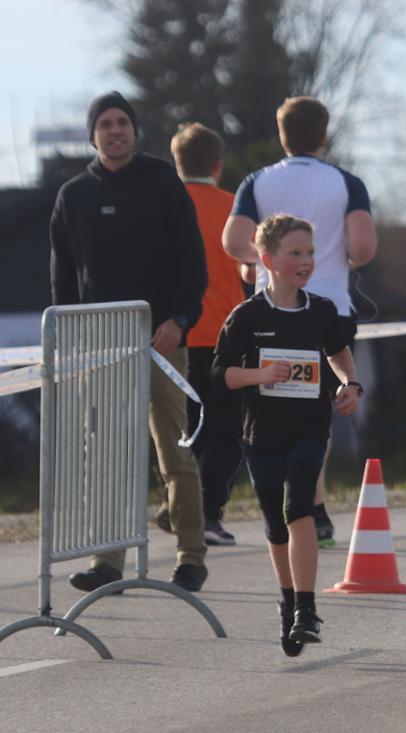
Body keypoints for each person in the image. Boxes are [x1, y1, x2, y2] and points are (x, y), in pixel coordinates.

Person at [50, 91, 209, 592]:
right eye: (105, 124)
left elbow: (193, 263)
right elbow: (63, 283)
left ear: (135, 131)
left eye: (123, 123)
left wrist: (179, 321)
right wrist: (72, 341)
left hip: (161, 340)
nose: (115, 131)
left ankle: (190, 556)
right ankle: (107, 562)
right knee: (108, 455)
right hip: (100, 348)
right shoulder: (72, 195)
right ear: (92, 133)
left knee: (173, 451)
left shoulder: (162, 181)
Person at [223, 96, 376, 547]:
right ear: (324, 135)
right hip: (327, 304)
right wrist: (329, 256)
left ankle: (289, 503)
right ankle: (314, 504)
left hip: (270, 308)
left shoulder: (257, 181)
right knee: (315, 407)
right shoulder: (347, 182)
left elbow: (233, 239)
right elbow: (363, 247)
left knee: (271, 402)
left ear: (281, 134)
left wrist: (268, 261)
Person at [212, 214, 361, 656]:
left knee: (299, 507)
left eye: (311, 252)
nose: (306, 261)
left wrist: (350, 385)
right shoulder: (247, 316)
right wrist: (259, 374)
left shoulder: (321, 311)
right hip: (261, 435)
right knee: (276, 524)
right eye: (295, 252)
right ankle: (289, 600)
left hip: (310, 429)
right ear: (267, 260)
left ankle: (308, 610)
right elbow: (221, 375)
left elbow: (338, 352)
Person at [170, 122, 246, 545]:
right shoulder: (233, 207)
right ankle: (207, 511)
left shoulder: (167, 205)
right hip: (223, 332)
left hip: (175, 334)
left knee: (184, 431)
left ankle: (180, 506)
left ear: (176, 163)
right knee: (227, 431)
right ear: (217, 166)